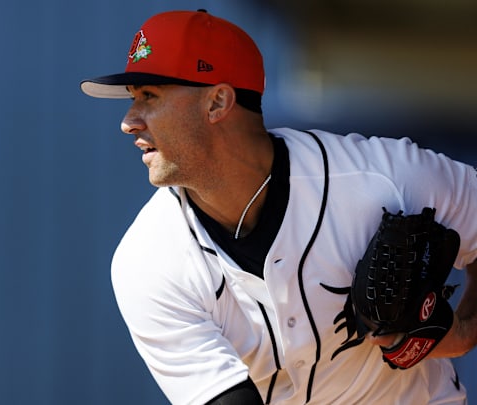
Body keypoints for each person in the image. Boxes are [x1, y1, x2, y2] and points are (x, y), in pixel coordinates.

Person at [80, 9, 477, 405]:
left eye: (149, 96)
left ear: (218, 102)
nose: (129, 122)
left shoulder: (381, 179)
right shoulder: (149, 259)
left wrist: (465, 332)